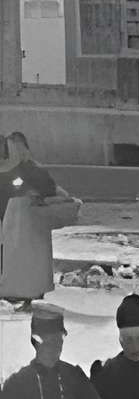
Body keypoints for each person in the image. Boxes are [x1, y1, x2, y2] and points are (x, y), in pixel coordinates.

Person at [0, 129, 63, 306]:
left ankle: (27, 295)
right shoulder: (13, 170)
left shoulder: (33, 170)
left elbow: (50, 189)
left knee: (29, 262)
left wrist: (34, 194)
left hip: (29, 226)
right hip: (10, 225)